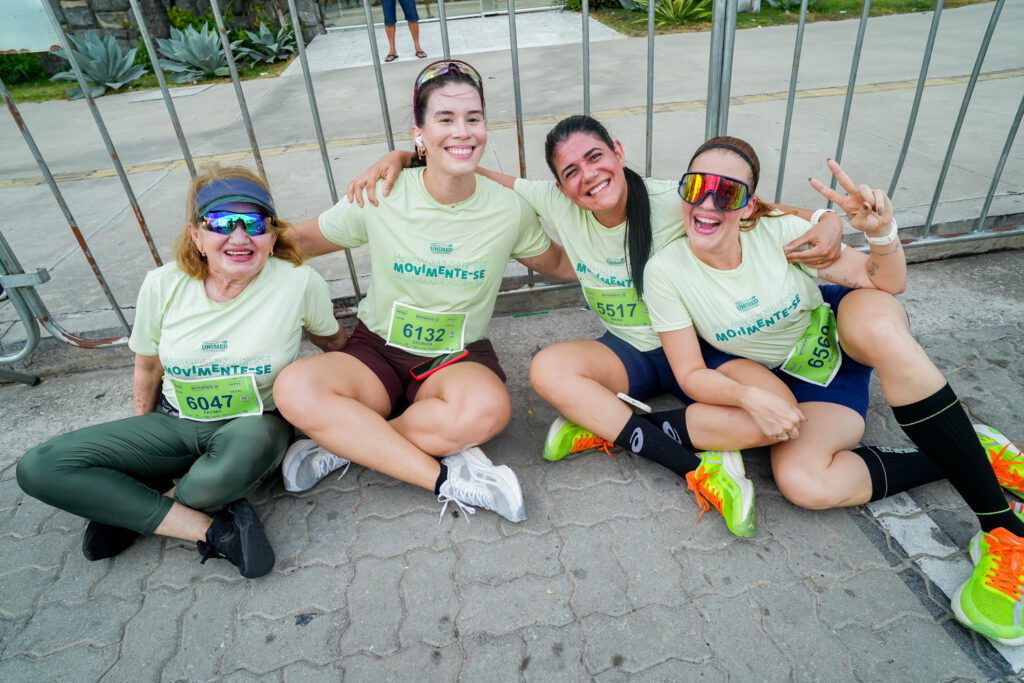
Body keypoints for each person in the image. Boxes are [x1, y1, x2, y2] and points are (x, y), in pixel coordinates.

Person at [344, 114, 846, 537]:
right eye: (570, 171)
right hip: (630, 353)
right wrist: (406, 155)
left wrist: (827, 219)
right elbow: (476, 172)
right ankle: (698, 463)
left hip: (702, 351)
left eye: (595, 157)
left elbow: (759, 206)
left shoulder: (677, 198)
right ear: (559, 186)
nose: (587, 175)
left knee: (781, 418)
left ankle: (610, 427)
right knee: (549, 371)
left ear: (619, 152)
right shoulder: (557, 202)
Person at [640, 135, 1024, 645]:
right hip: (793, 377)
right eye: (697, 187)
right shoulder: (666, 271)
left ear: (748, 205)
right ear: (682, 193)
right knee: (805, 483)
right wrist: (750, 397)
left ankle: (1002, 531)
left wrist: (883, 235)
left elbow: (884, 282)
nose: (708, 203)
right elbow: (689, 374)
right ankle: (973, 450)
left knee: (886, 331)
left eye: (727, 193)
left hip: (840, 327)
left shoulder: (778, 233)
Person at [273, 60, 572, 523]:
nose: (463, 131)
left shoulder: (509, 210)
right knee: (295, 388)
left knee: (488, 411)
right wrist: (218, 254)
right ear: (419, 132)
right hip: (376, 353)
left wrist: (625, 262)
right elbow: (300, 243)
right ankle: (443, 470)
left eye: (474, 118)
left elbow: (555, 262)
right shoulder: (383, 192)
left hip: (454, 356)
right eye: (446, 119)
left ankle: (349, 441)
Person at [16, 167, 347, 578]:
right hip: (174, 423)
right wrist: (144, 451)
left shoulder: (299, 282)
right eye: (223, 222)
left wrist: (368, 395)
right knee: (40, 467)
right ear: (197, 236)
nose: (241, 237)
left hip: (251, 426)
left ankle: (131, 513)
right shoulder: (162, 284)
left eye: (256, 223)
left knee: (228, 465)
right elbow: (148, 365)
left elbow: (334, 346)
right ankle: (210, 529)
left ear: (273, 235)